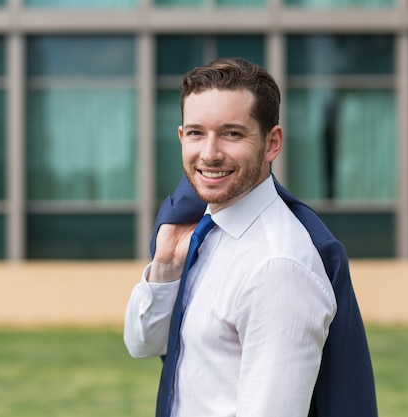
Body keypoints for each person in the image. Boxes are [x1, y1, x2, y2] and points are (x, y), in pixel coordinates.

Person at [124, 58, 377, 417]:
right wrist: (165, 267)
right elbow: (142, 343)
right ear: (181, 137)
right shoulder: (201, 233)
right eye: (197, 133)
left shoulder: (278, 268)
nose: (209, 154)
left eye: (231, 133)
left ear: (272, 143)